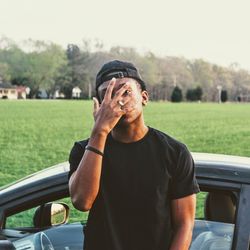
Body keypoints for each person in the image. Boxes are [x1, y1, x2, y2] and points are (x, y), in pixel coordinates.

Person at [68, 60, 200, 250]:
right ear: (99, 105)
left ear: (144, 97)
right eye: (108, 94)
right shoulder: (83, 151)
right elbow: (82, 201)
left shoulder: (174, 153)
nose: (119, 100)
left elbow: (184, 225)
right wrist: (99, 132)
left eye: (126, 92)